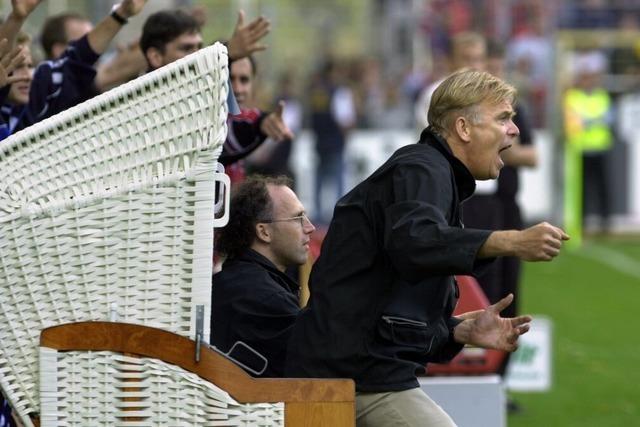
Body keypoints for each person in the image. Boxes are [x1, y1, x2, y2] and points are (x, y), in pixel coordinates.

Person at [286, 69, 569, 426]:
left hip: (356, 370)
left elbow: (384, 301)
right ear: (464, 129)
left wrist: (457, 332)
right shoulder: (423, 169)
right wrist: (511, 240)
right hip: (352, 378)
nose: (514, 129)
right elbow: (416, 244)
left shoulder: (431, 173)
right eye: (503, 118)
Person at [139, 9, 292, 184]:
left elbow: (228, 136)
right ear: (156, 57)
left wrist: (262, 124)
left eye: (199, 48)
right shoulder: (143, 105)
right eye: (187, 48)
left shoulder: (204, 106)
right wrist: (226, 54)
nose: (197, 56)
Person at [210, 175, 315, 377]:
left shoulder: (231, 282)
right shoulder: (267, 299)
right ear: (264, 232)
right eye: (298, 218)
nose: (310, 227)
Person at [0, 0, 148, 140]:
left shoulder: (39, 95)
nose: (27, 76)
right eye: (17, 67)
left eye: (30, 66)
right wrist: (16, 19)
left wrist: (121, 13)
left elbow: (78, 59)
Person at [563, 50, 614, 239]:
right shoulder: (573, 97)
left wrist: (587, 122)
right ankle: (581, 223)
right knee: (582, 191)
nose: (589, 81)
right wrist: (594, 121)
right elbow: (574, 124)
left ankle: (605, 223)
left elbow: (608, 119)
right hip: (581, 150)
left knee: (602, 188)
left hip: (600, 147)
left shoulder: (601, 96)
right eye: (585, 77)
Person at [414, 31, 486, 130]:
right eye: (466, 58)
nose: (474, 65)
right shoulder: (434, 95)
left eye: (478, 59)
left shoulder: (489, 95)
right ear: (450, 61)